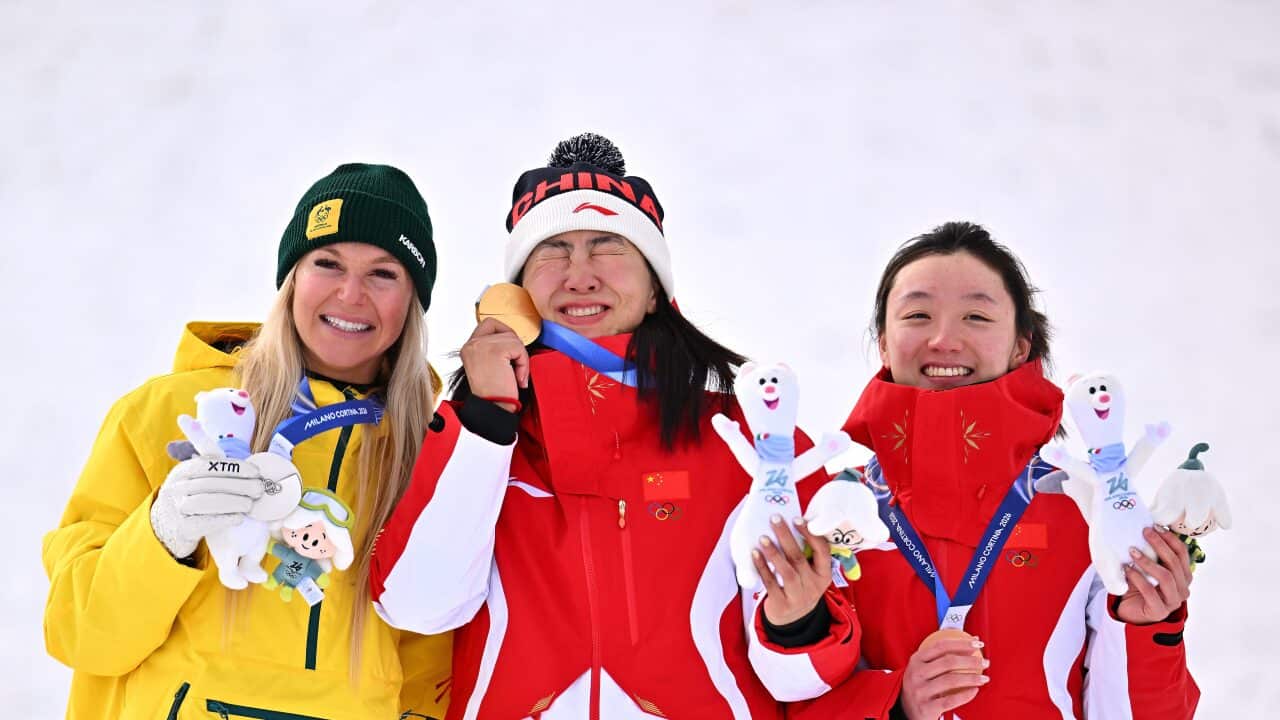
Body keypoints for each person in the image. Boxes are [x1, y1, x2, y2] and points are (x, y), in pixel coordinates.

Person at [369, 134, 857, 718]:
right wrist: (485, 418)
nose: (580, 275)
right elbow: (420, 608)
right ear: (517, 295)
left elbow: (801, 682)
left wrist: (798, 622)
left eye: (608, 246)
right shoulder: (472, 436)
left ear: (656, 290)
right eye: (552, 251)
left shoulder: (752, 440)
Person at [42, 164, 452, 719]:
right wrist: (163, 534)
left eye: (384, 273)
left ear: (412, 301)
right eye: (326, 263)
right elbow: (83, 635)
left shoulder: (432, 455)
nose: (350, 293)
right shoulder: (167, 414)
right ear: (290, 280)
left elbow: (431, 664)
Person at [786, 221, 1199, 719]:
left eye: (976, 316)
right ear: (884, 343)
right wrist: (895, 706)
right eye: (917, 314)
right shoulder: (836, 515)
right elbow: (789, 701)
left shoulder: (1085, 510)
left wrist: (1148, 627)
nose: (943, 339)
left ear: (1021, 346)